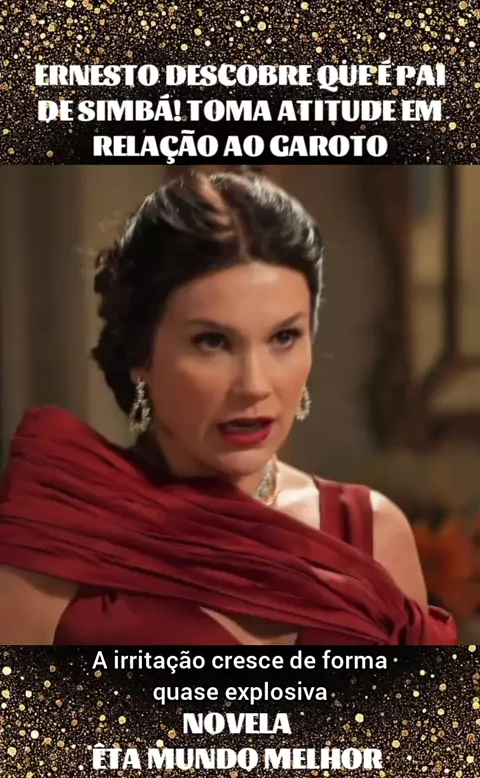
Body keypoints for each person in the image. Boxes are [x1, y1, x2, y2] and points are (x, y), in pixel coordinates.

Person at [0, 169, 457, 645]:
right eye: (212, 342)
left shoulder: (373, 532)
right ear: (141, 355)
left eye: (284, 337)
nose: (254, 386)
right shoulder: (63, 528)